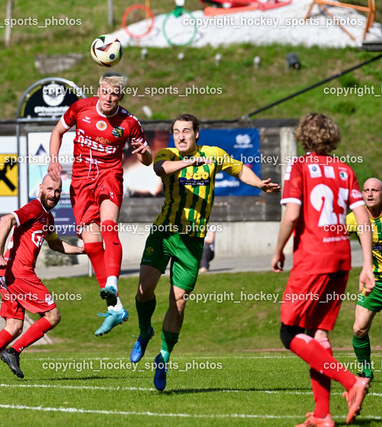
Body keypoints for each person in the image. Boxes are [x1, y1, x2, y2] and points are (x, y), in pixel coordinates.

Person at [129, 113, 280, 392]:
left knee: (179, 302)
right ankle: (144, 331)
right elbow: (160, 169)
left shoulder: (213, 155)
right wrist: (188, 162)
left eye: (186, 131)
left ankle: (163, 357)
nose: (181, 136)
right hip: (164, 233)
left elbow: (239, 170)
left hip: (193, 240)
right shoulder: (168, 153)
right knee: (144, 288)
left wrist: (259, 183)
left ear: (196, 134)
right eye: (177, 131)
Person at [272, 113, 374, 426]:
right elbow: (363, 219)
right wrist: (367, 265)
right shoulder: (345, 170)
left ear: (303, 136)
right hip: (341, 257)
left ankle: (351, 382)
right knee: (318, 333)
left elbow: (292, 215)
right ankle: (322, 414)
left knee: (289, 333)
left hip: (313, 257)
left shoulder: (299, 166)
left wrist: (278, 249)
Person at [47, 72, 152, 336]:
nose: (108, 97)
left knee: (108, 226)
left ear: (121, 96)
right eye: (105, 91)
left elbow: (147, 159)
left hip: (109, 177)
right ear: (98, 90)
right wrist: (53, 160)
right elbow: (58, 131)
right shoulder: (80, 108)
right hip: (81, 182)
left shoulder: (129, 122)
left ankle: (112, 284)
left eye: (114, 93)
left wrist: (145, 155)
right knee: (92, 245)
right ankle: (116, 309)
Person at [0, 174, 85, 381]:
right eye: (50, 189)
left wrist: (84, 250)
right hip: (20, 273)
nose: (54, 194)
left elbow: (55, 244)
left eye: (58, 191)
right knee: (53, 316)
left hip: (7, 275)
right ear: (40, 188)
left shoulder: (47, 218)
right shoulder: (35, 208)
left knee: (14, 326)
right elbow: (6, 220)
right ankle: (13, 351)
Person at [347, 177, 382, 381]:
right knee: (359, 328)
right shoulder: (355, 218)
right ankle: (366, 371)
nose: (369, 193)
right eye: (366, 190)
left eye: (374, 190)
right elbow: (334, 237)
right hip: (373, 282)